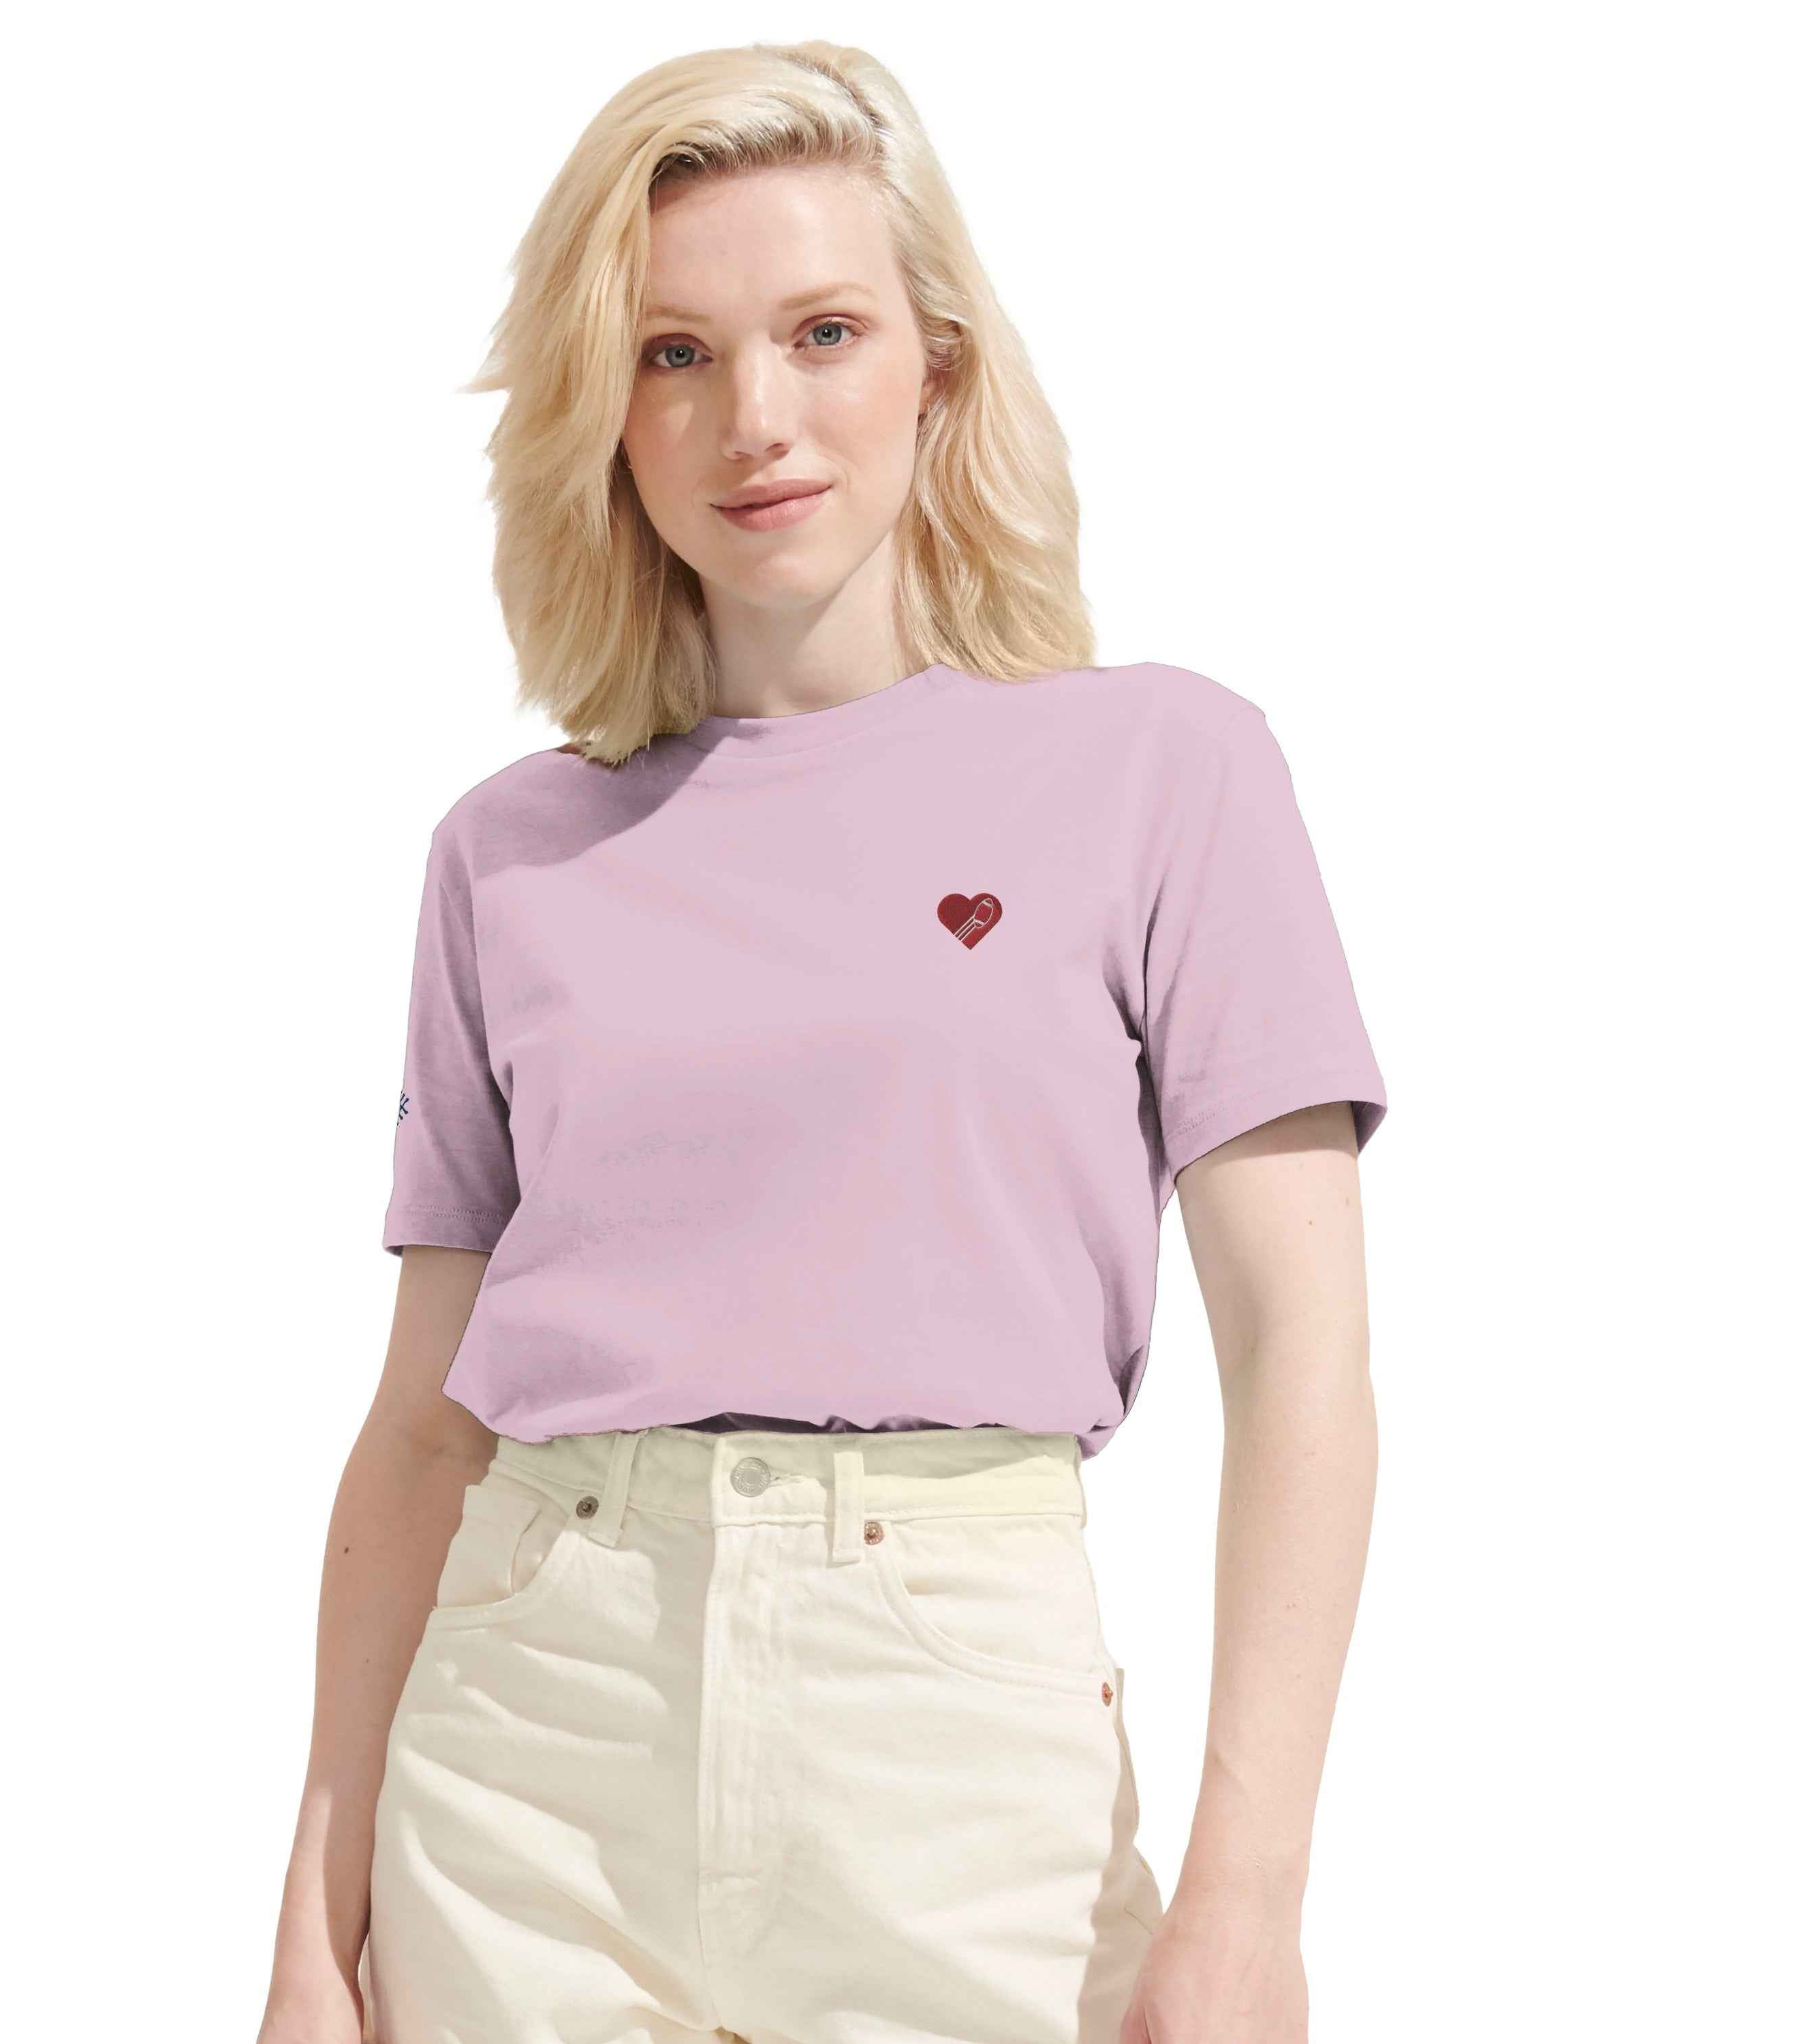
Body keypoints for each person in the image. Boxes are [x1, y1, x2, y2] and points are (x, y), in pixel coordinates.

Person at [257, 39, 1387, 2044]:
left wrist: (1251, 1894)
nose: (753, 419)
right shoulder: (508, 854)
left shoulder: (1164, 770)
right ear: (607, 412)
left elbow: (1300, 1353)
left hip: (958, 1753)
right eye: (674, 354)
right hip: (530, 1745)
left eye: (825, 332)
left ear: (938, 364)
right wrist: (304, 1933)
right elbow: (425, 1426)